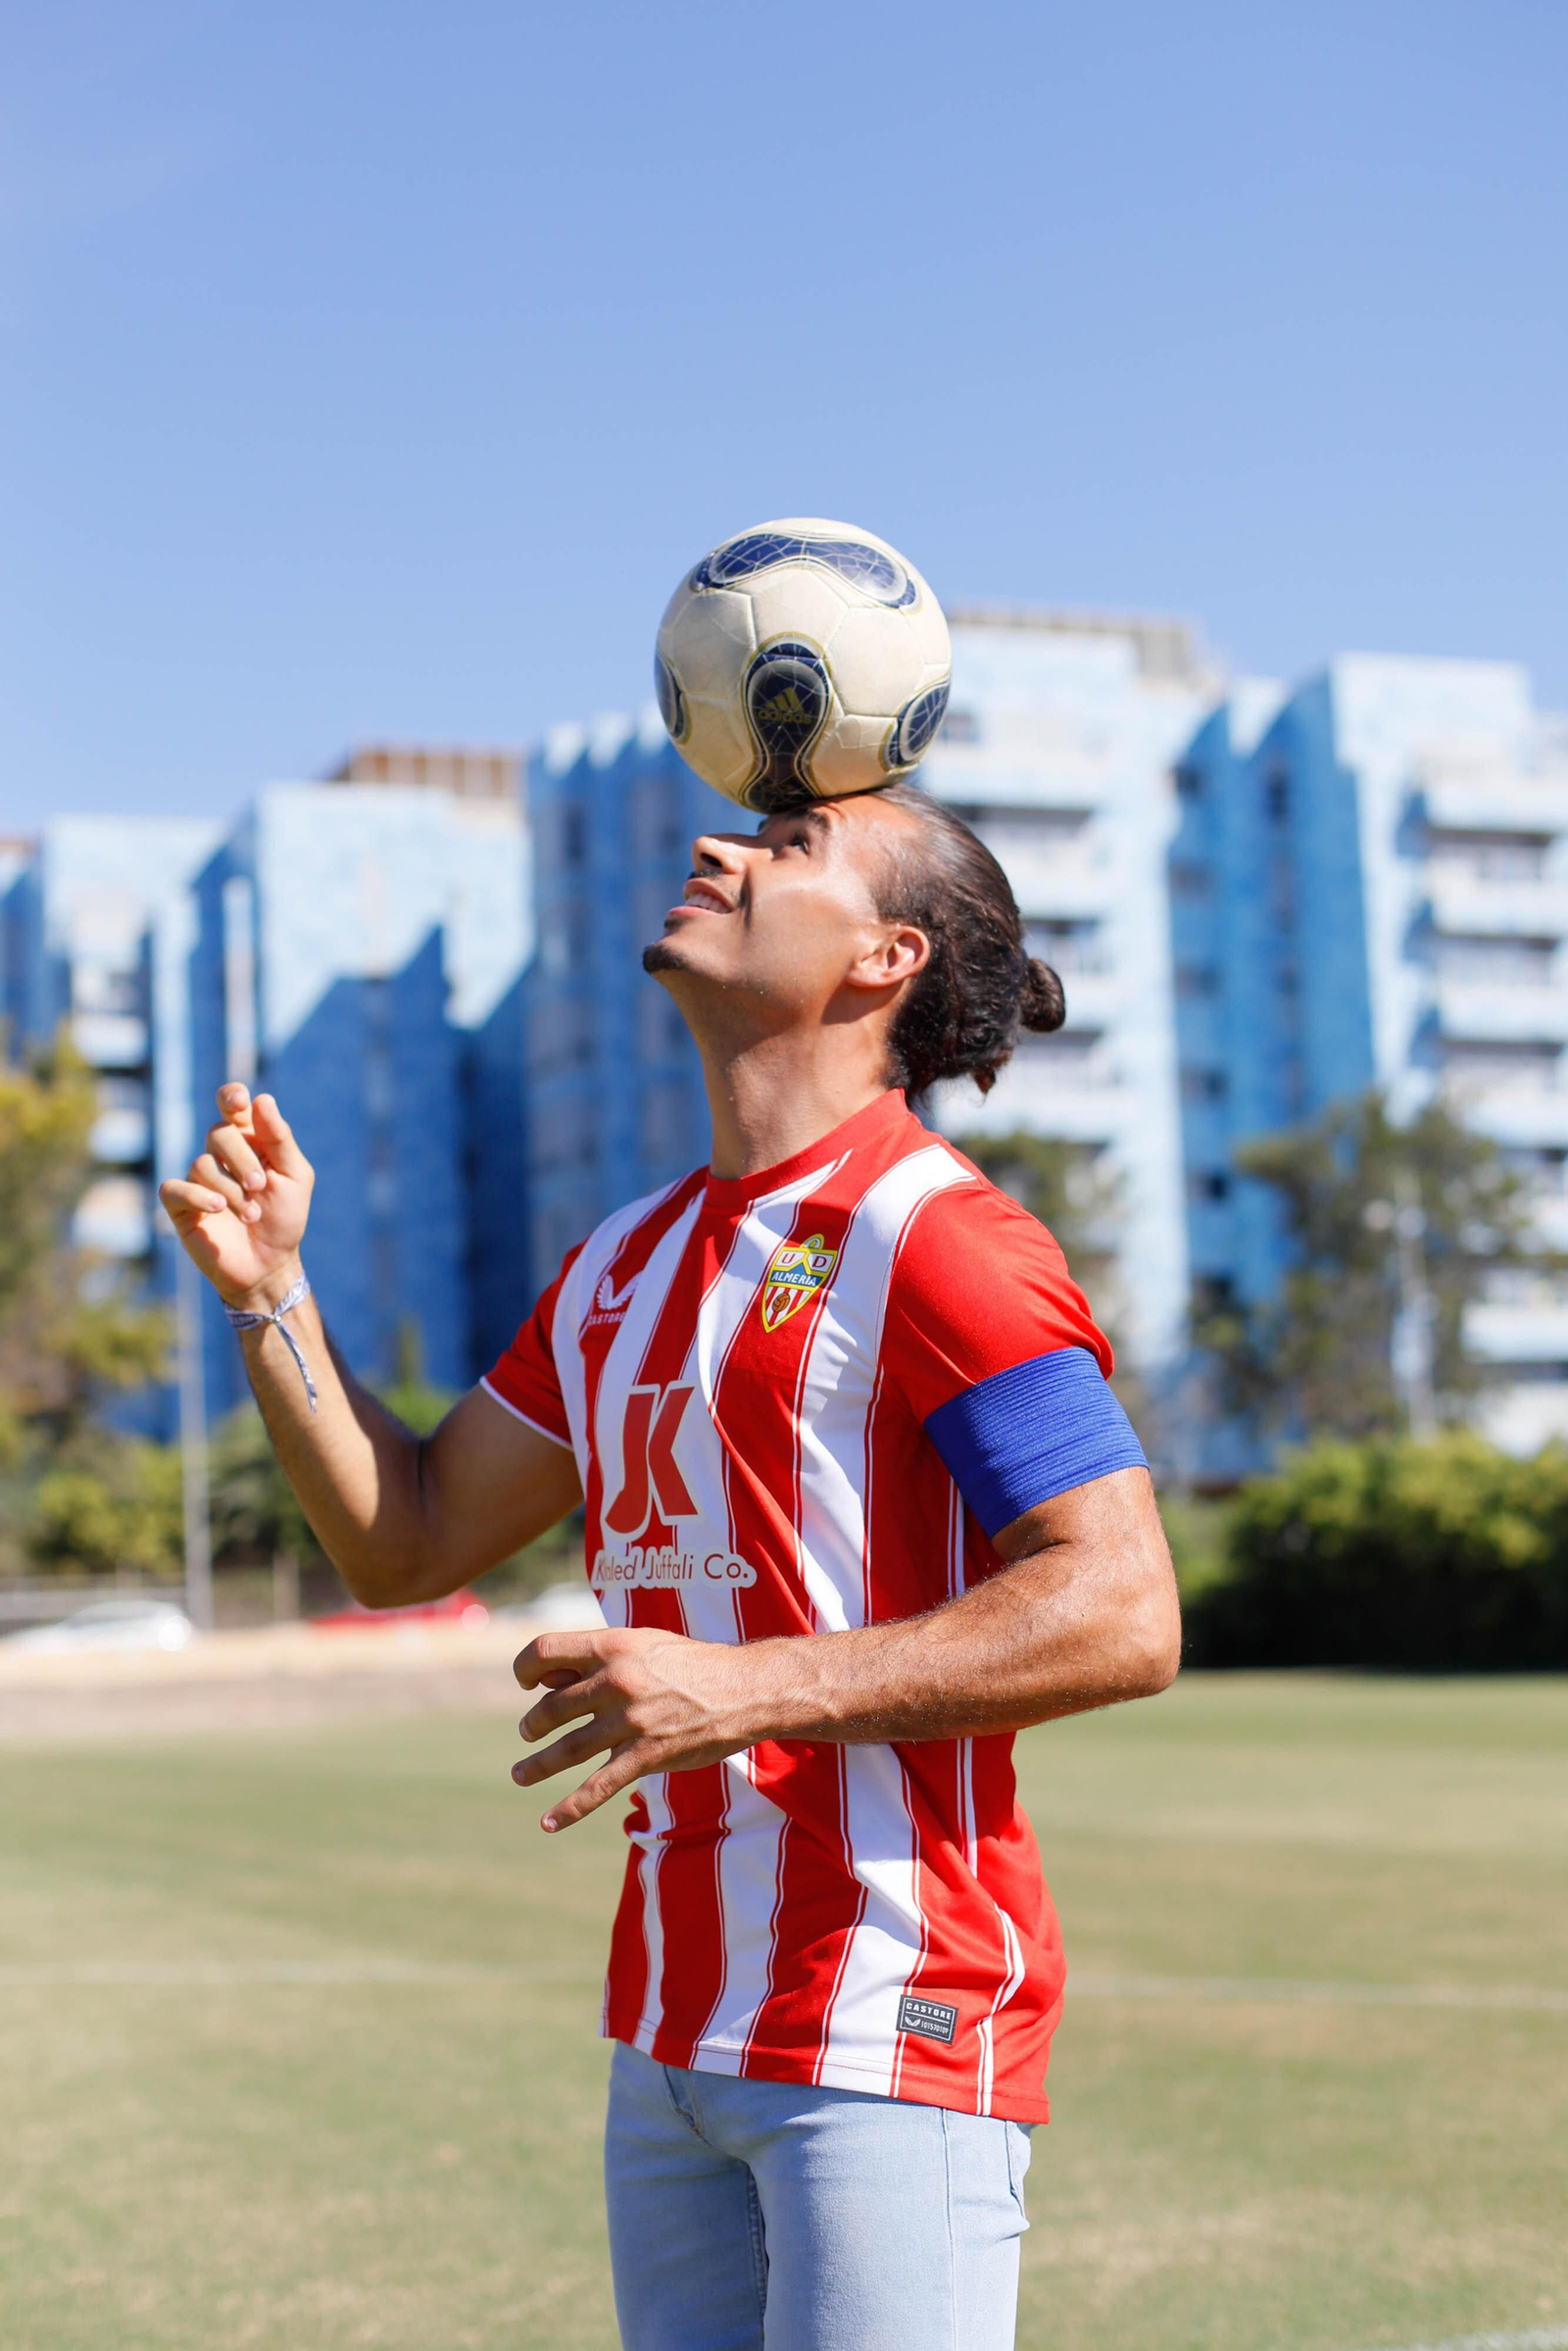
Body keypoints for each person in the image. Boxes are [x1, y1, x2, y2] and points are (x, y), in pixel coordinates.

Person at [162, 779, 1180, 2351]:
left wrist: (749, 1683)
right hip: (669, 2030)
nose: (718, 852)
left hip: (887, 2020)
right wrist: (272, 1298)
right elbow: (409, 1536)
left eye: (788, 851)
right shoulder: (620, 1262)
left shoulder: (943, 1235)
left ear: (885, 957)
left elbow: (1121, 1602)